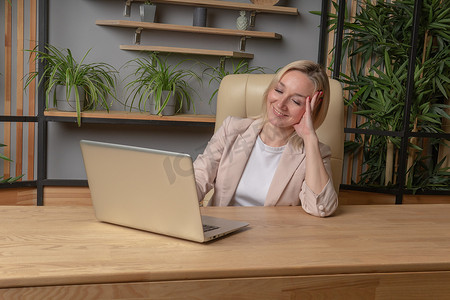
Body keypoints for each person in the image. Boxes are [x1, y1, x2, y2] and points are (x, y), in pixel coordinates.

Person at [193, 60, 338, 217]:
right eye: (279, 90)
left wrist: (309, 138)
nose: (281, 104)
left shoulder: (315, 153)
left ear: (313, 109)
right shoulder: (232, 130)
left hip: (272, 238)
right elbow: (198, 179)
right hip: (221, 233)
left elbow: (322, 207)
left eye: (296, 101)